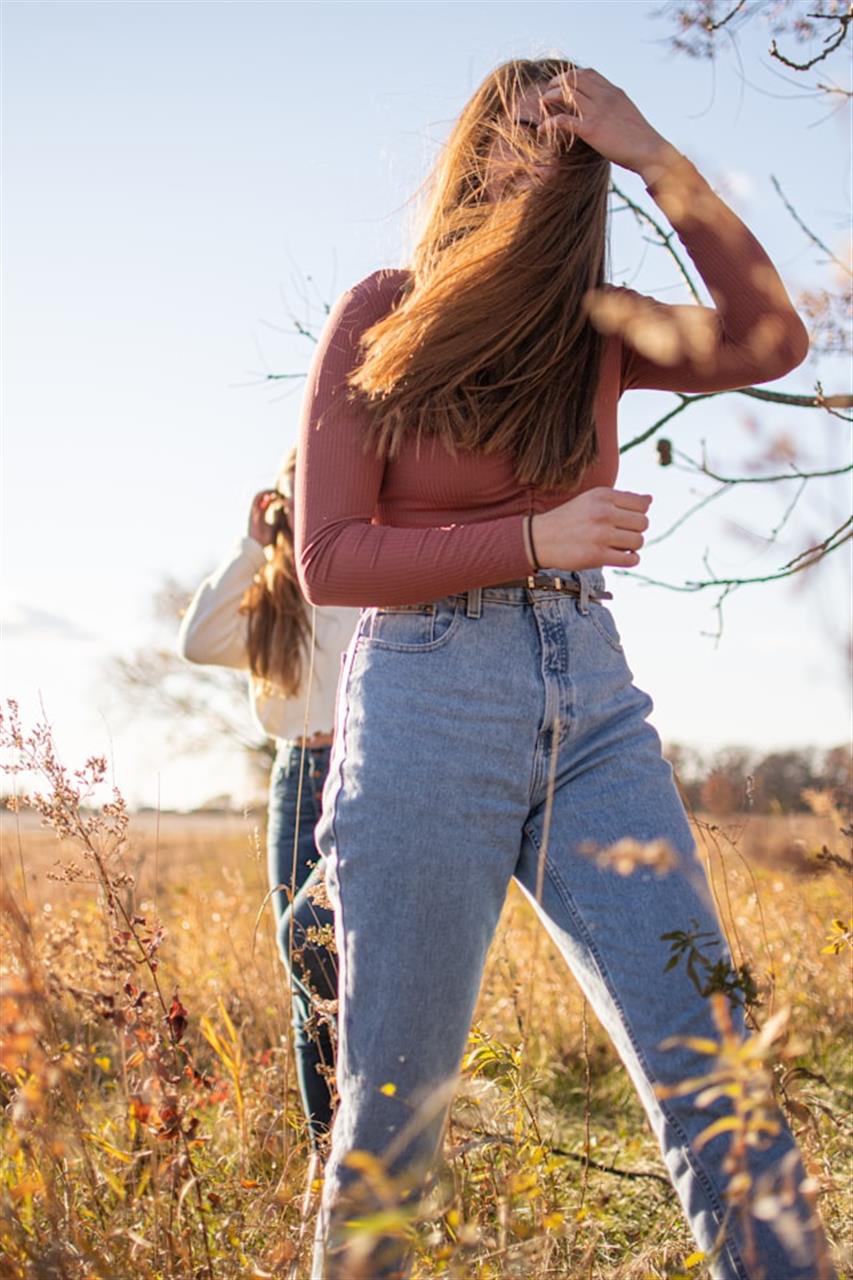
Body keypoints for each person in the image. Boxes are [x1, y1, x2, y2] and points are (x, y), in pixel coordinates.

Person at [295, 60, 834, 1280]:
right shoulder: (383, 308)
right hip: (429, 700)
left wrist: (652, 152)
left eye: (567, 142)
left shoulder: (595, 324)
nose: (538, 158)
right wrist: (535, 536)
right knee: (395, 1117)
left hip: (592, 701)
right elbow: (331, 557)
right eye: (517, 131)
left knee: (717, 1071)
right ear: (471, 148)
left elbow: (769, 337)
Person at [177, 449, 359, 1151]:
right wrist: (251, 547)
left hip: (368, 771)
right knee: (305, 964)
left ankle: (379, 1128)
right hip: (298, 777)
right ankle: (326, 1148)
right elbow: (196, 642)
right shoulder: (267, 604)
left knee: (366, 957)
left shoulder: (361, 567)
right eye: (294, 490)